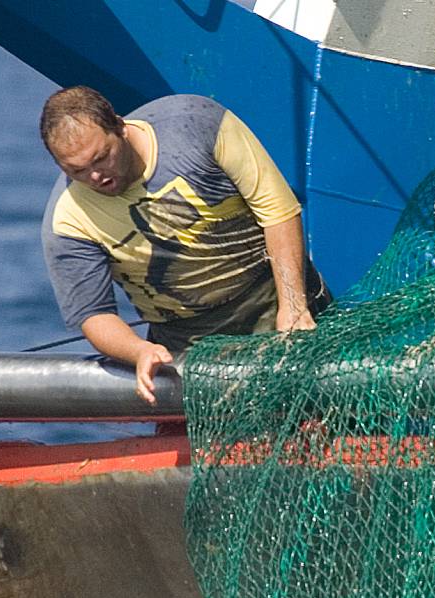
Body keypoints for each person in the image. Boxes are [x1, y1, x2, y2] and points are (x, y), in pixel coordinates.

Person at [40, 87, 331, 404]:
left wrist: (294, 307)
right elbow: (94, 314)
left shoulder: (198, 125)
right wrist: (139, 350)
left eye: (101, 157)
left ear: (121, 127)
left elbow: (276, 210)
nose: (96, 176)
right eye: (77, 170)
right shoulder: (67, 219)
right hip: (186, 340)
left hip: (272, 296)